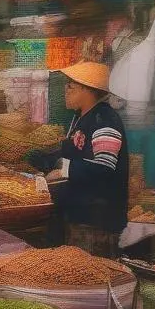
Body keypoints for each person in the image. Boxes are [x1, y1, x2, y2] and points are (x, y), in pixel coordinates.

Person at [31, 61, 129, 258]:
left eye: (70, 86)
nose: (65, 91)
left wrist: (62, 168)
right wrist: (42, 159)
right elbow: (74, 151)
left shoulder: (104, 120)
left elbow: (104, 167)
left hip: (96, 220)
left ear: (88, 90)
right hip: (77, 212)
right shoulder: (81, 118)